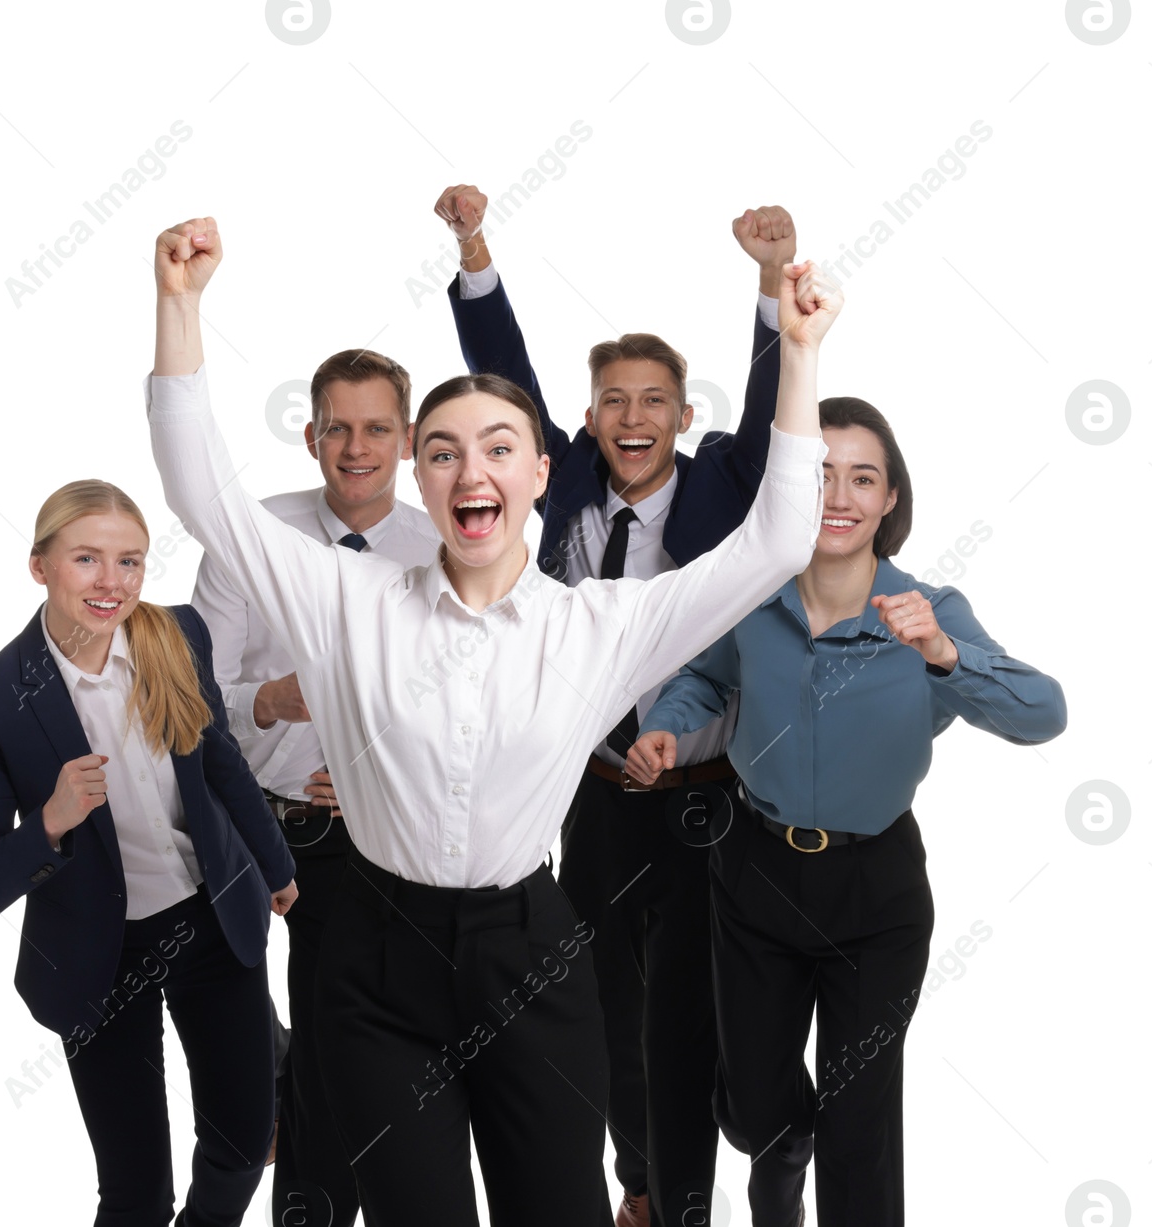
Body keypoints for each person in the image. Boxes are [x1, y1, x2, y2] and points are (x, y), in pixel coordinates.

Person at [144, 215, 836, 1227]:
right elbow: (200, 491)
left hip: (532, 955)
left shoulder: (603, 625)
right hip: (373, 964)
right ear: (421, 480)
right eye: (443, 452)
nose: (472, 472)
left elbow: (776, 539)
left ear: (539, 476)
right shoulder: (342, 598)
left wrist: (803, 355)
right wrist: (181, 305)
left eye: (499, 449)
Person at [432, 183, 796, 1227]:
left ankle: (708, 1158)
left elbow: (781, 417)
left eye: (653, 403)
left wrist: (770, 285)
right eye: (613, 402)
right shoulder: (557, 484)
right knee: (596, 999)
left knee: (694, 1013)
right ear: (588, 418)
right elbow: (499, 374)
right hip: (590, 789)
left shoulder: (727, 479)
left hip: (709, 795)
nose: (632, 420)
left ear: (684, 417)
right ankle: (643, 1183)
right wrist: (472, 247)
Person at [625, 398, 1068, 1227]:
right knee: (755, 1111)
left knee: (861, 1126)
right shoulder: (754, 597)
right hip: (754, 876)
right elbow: (706, 680)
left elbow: (1043, 713)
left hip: (876, 892)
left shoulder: (930, 610)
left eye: (862, 476)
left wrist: (944, 653)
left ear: (890, 498)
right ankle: (782, 1150)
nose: (840, 494)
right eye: (821, 473)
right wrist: (666, 729)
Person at [0, 479, 299, 1227]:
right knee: (137, 1192)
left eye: (130, 562)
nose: (112, 583)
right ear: (40, 566)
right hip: (96, 958)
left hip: (209, 920)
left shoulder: (176, 634)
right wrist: (49, 818)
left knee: (243, 1138)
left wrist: (276, 866)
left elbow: (222, 762)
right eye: (87, 559)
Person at [191, 345, 439, 1226]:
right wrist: (273, 699)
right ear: (311, 436)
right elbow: (190, 697)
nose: (357, 446)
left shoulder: (438, 543)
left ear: (407, 440)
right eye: (339, 427)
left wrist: (386, 765)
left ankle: (316, 1192)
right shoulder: (255, 537)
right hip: (261, 818)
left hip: (381, 833)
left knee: (354, 1041)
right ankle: (285, 1116)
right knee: (249, 1008)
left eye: (378, 428)